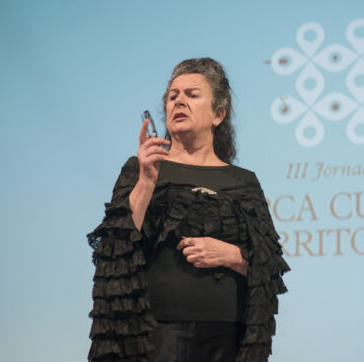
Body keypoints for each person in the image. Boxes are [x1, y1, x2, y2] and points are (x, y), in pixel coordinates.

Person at [87, 58, 289, 362]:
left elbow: (269, 267)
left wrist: (232, 256)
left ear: (218, 114)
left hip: (228, 334)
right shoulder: (140, 169)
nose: (179, 101)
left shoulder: (243, 181)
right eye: (173, 96)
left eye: (192, 95)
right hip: (157, 332)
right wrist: (146, 180)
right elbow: (115, 246)